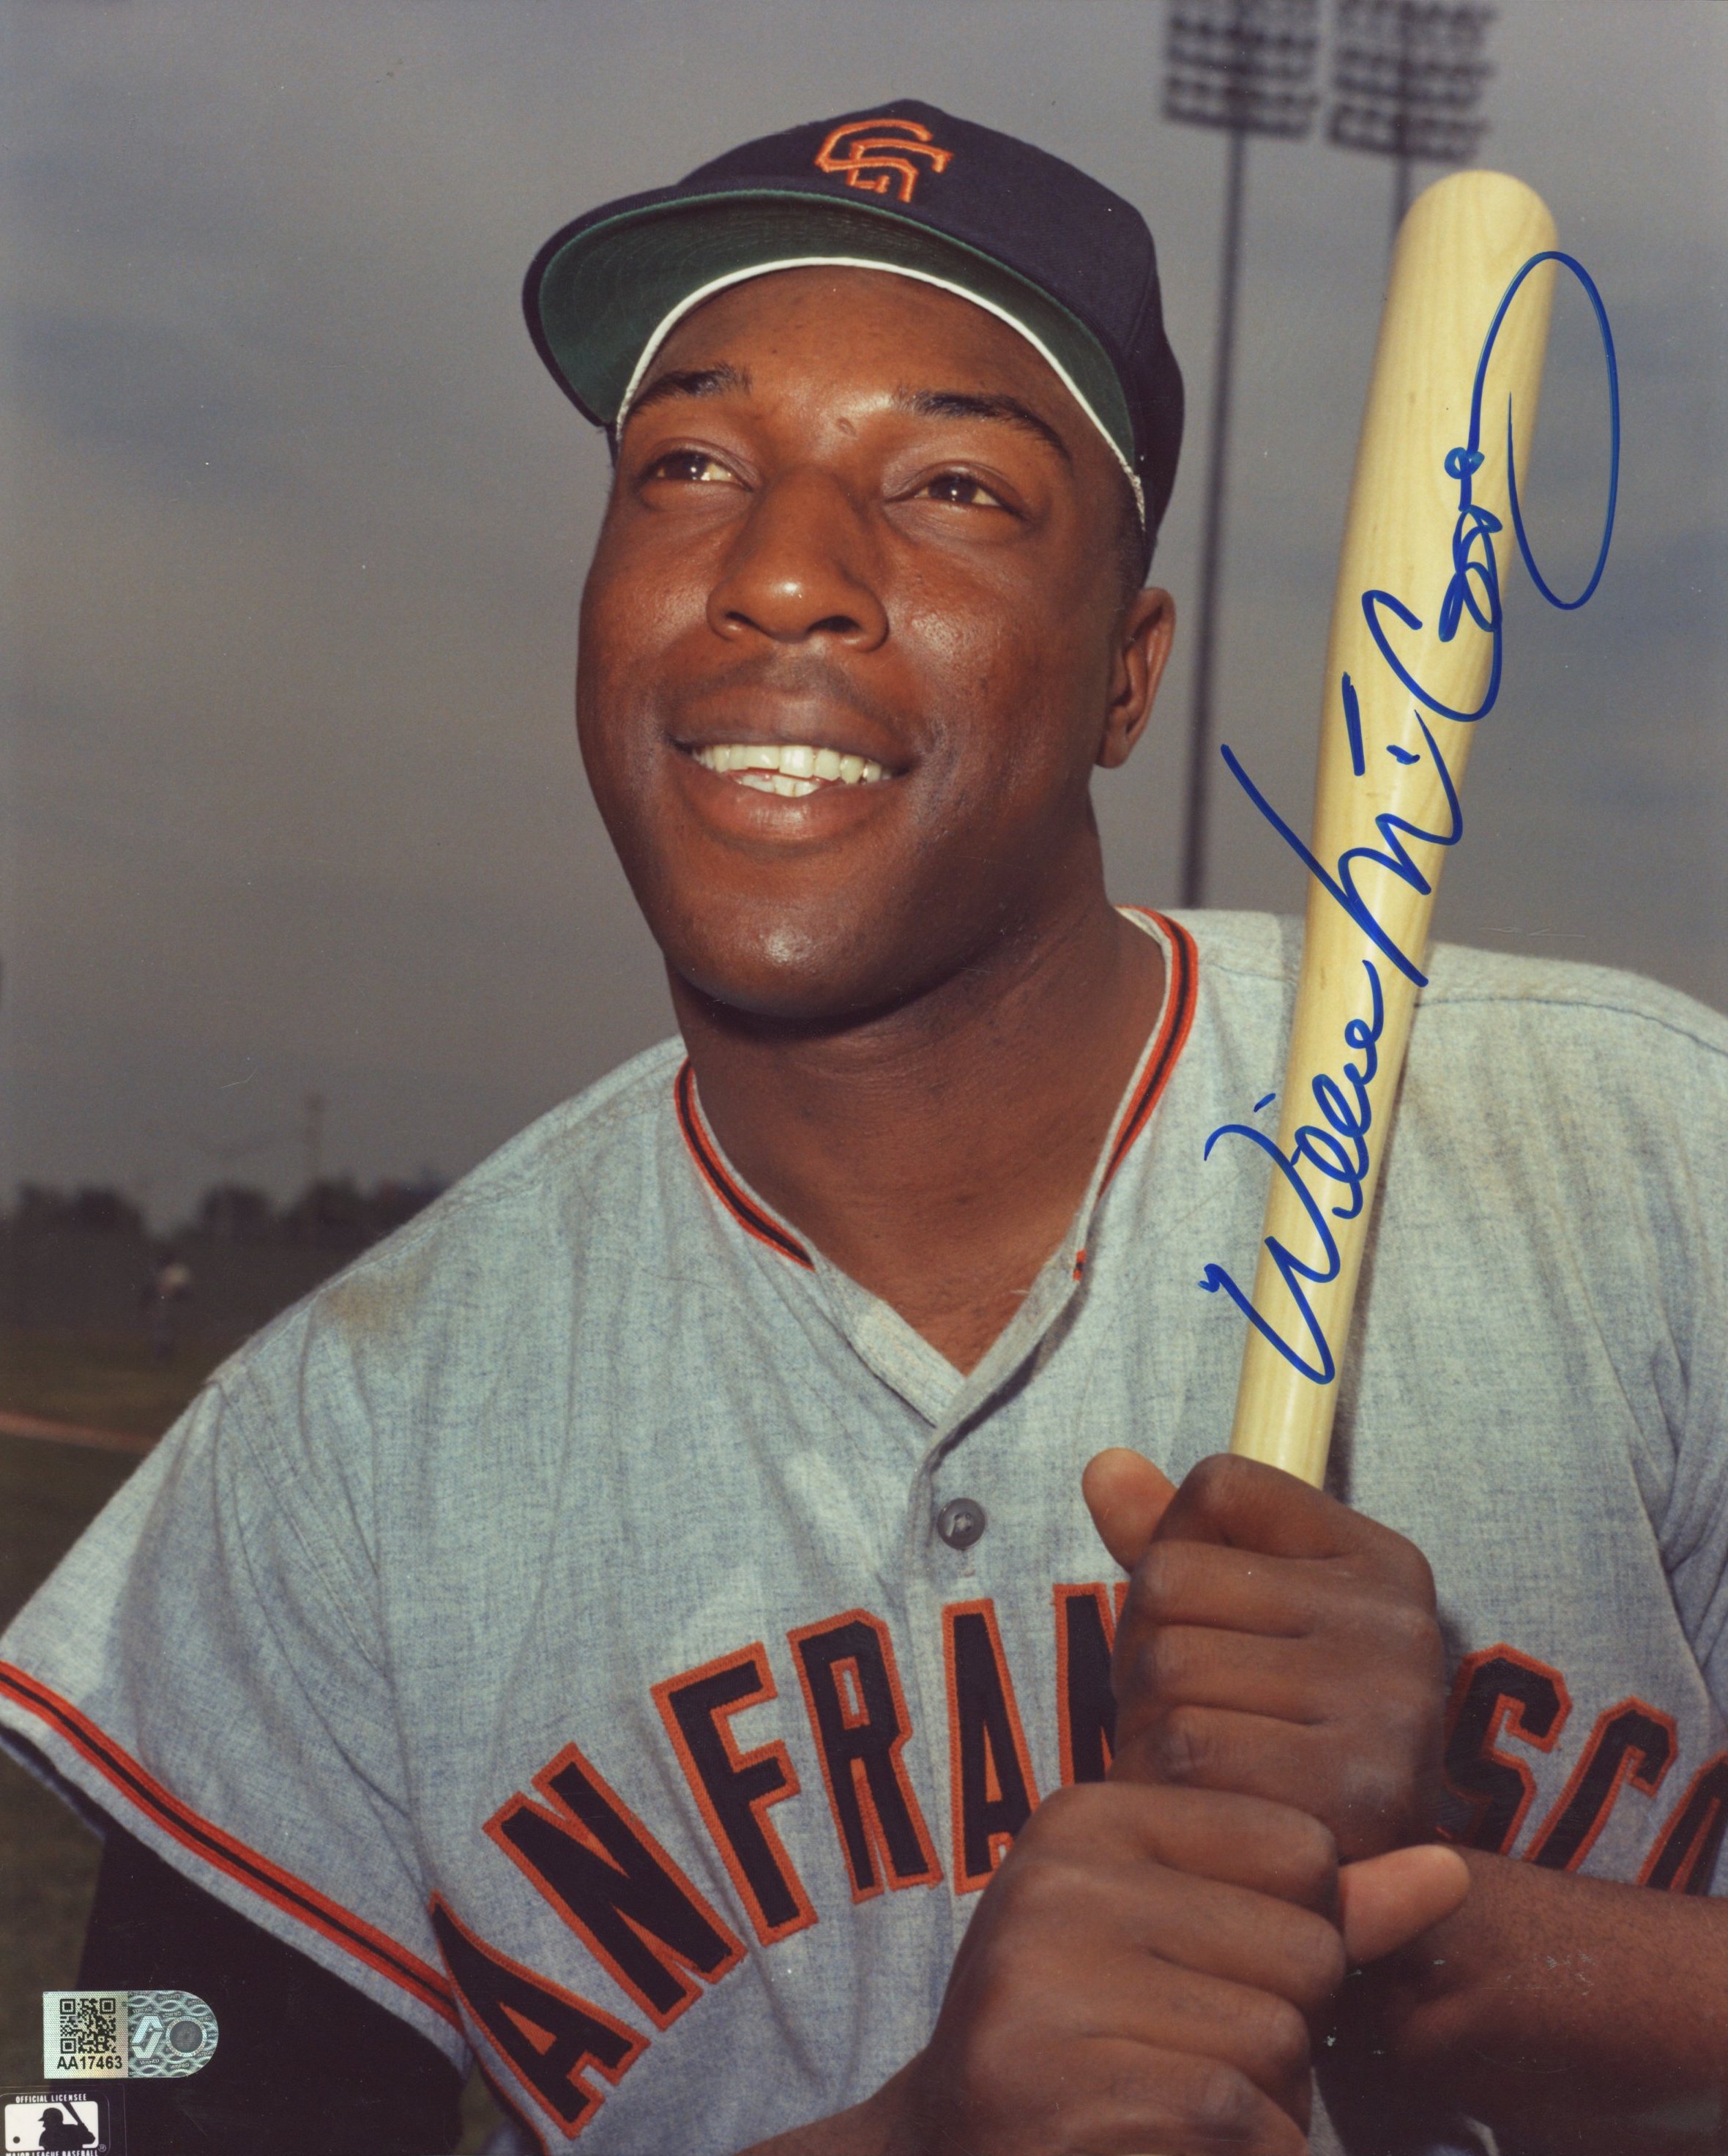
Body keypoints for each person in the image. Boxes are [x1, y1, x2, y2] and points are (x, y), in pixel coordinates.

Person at [3, 100, 1726, 2156]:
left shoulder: (1649, 1160)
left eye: (954, 486)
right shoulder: (331, 1452)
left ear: (1126, 677)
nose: (784, 572)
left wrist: (1454, 1963)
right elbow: (97, 2100)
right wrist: (906, 2140)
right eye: (690, 467)